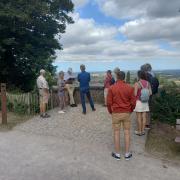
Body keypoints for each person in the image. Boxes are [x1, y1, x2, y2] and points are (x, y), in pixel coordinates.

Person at [107, 71, 136, 161]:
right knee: (127, 132)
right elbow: (133, 102)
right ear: (124, 78)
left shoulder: (112, 88)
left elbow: (108, 103)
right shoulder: (130, 88)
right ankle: (127, 154)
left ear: (117, 77)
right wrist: (130, 110)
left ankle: (117, 154)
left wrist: (110, 111)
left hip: (116, 112)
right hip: (126, 112)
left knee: (116, 133)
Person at [141, 64, 159, 128]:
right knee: (148, 108)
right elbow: (157, 84)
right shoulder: (153, 75)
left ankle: (144, 123)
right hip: (152, 93)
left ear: (144, 69)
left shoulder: (146, 75)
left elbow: (143, 85)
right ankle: (147, 123)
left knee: (144, 108)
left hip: (146, 94)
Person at [134, 70, 152, 136]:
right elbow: (150, 93)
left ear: (138, 75)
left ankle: (139, 131)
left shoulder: (137, 83)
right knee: (144, 117)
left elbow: (135, 94)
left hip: (139, 101)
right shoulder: (148, 83)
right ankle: (143, 131)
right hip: (145, 102)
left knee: (139, 117)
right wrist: (145, 95)